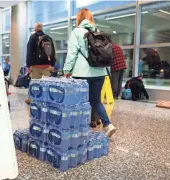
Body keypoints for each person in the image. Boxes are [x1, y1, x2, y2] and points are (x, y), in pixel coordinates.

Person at [63, 8, 116, 138]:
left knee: (79, 102)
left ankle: (80, 129)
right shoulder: (97, 31)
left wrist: (67, 70)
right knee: (96, 100)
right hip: (100, 72)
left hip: (82, 73)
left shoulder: (76, 32)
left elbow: (72, 53)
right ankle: (108, 125)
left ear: (79, 18)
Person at [25, 22, 56, 104]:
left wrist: (28, 65)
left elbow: (29, 53)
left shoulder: (32, 38)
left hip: (36, 66)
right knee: (46, 84)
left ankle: (32, 100)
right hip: (47, 65)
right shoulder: (48, 38)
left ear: (35, 29)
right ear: (42, 29)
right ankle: (45, 100)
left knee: (35, 84)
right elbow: (53, 53)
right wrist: (52, 65)